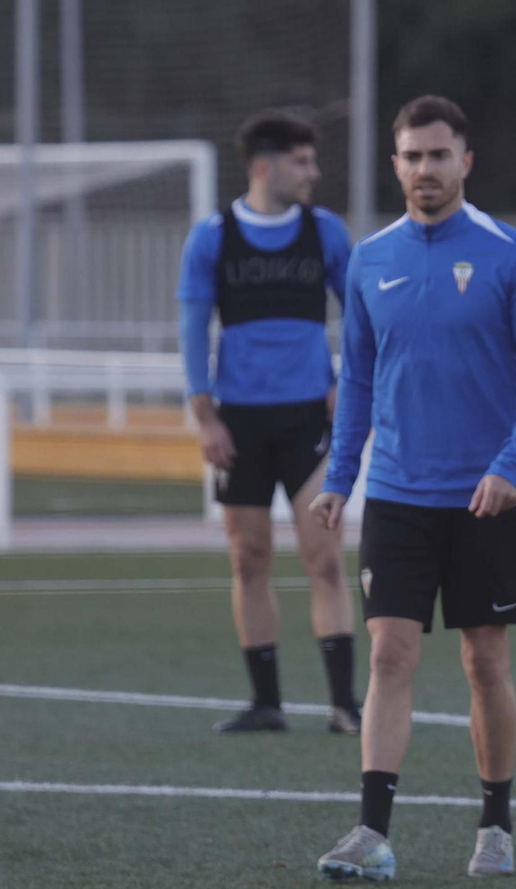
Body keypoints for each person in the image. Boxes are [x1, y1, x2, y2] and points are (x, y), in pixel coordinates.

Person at [310, 95, 516, 881]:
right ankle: (371, 831)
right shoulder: (370, 259)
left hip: (484, 498)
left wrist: (510, 466)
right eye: (411, 156)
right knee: (389, 653)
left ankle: (495, 824)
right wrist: (340, 477)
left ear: (465, 162)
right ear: (395, 165)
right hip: (395, 494)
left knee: (485, 663)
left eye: (438, 155)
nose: (425, 169)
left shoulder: (510, 253)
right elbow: (358, 380)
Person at [176, 109, 358, 736]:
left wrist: (346, 385)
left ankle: (345, 706)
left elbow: (360, 316)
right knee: (248, 558)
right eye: (302, 162)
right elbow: (192, 330)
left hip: (309, 416)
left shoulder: (326, 232)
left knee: (326, 559)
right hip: (240, 424)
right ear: (264, 166)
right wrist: (205, 417)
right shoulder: (213, 236)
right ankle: (267, 704)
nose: (314, 172)